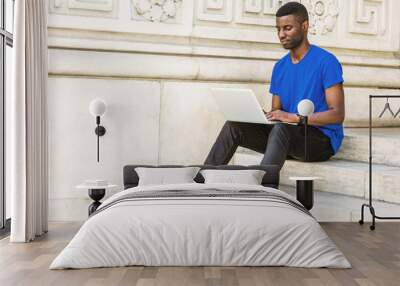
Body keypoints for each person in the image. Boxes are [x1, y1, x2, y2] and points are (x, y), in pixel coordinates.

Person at [204, 2, 345, 170]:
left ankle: (265, 188)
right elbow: (277, 113)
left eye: (287, 28)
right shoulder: (280, 67)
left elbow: (337, 115)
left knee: (280, 130)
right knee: (234, 126)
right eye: (278, 29)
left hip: (321, 140)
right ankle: (202, 180)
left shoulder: (326, 61)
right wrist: (261, 116)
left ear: (305, 26)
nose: (281, 34)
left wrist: (295, 118)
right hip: (287, 136)